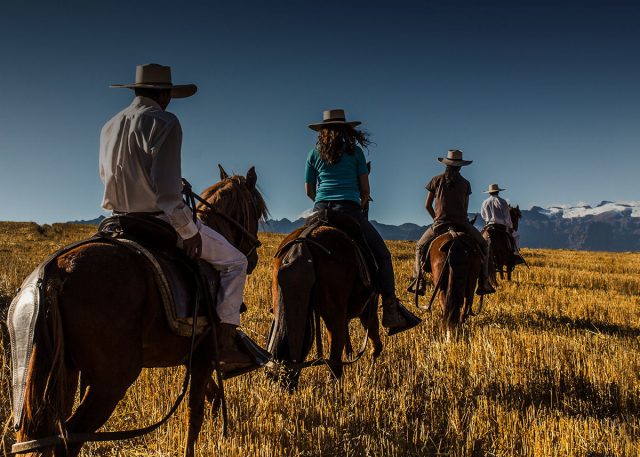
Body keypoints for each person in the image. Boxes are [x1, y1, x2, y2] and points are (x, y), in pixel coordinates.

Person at [100, 63, 268, 376]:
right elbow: (166, 195)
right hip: (157, 220)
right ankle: (226, 342)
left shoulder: (109, 125)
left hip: (118, 220)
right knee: (235, 263)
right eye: (170, 95)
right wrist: (188, 231)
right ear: (164, 93)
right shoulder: (164, 121)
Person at [305, 109, 421, 333]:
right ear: (346, 130)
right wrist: (360, 200)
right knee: (382, 255)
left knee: (296, 249)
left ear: (322, 132)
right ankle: (390, 307)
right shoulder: (355, 152)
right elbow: (365, 190)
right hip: (349, 210)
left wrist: (322, 200)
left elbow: (309, 190)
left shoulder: (313, 154)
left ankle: (282, 301)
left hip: (319, 211)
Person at [409, 150, 496, 295]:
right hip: (462, 224)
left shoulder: (435, 180)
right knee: (484, 246)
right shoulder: (466, 184)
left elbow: (427, 205)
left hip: (440, 224)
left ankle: (419, 281)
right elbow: (465, 208)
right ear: (461, 167)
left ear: (446, 165)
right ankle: (484, 282)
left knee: (419, 247)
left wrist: (436, 219)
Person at [480, 183, 526, 265]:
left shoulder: (485, 202)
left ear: (489, 192)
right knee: (516, 236)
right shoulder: (502, 201)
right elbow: (507, 217)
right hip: (501, 226)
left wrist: (489, 220)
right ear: (498, 192)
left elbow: (483, 215)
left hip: (488, 226)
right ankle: (515, 254)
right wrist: (510, 227)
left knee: (480, 238)